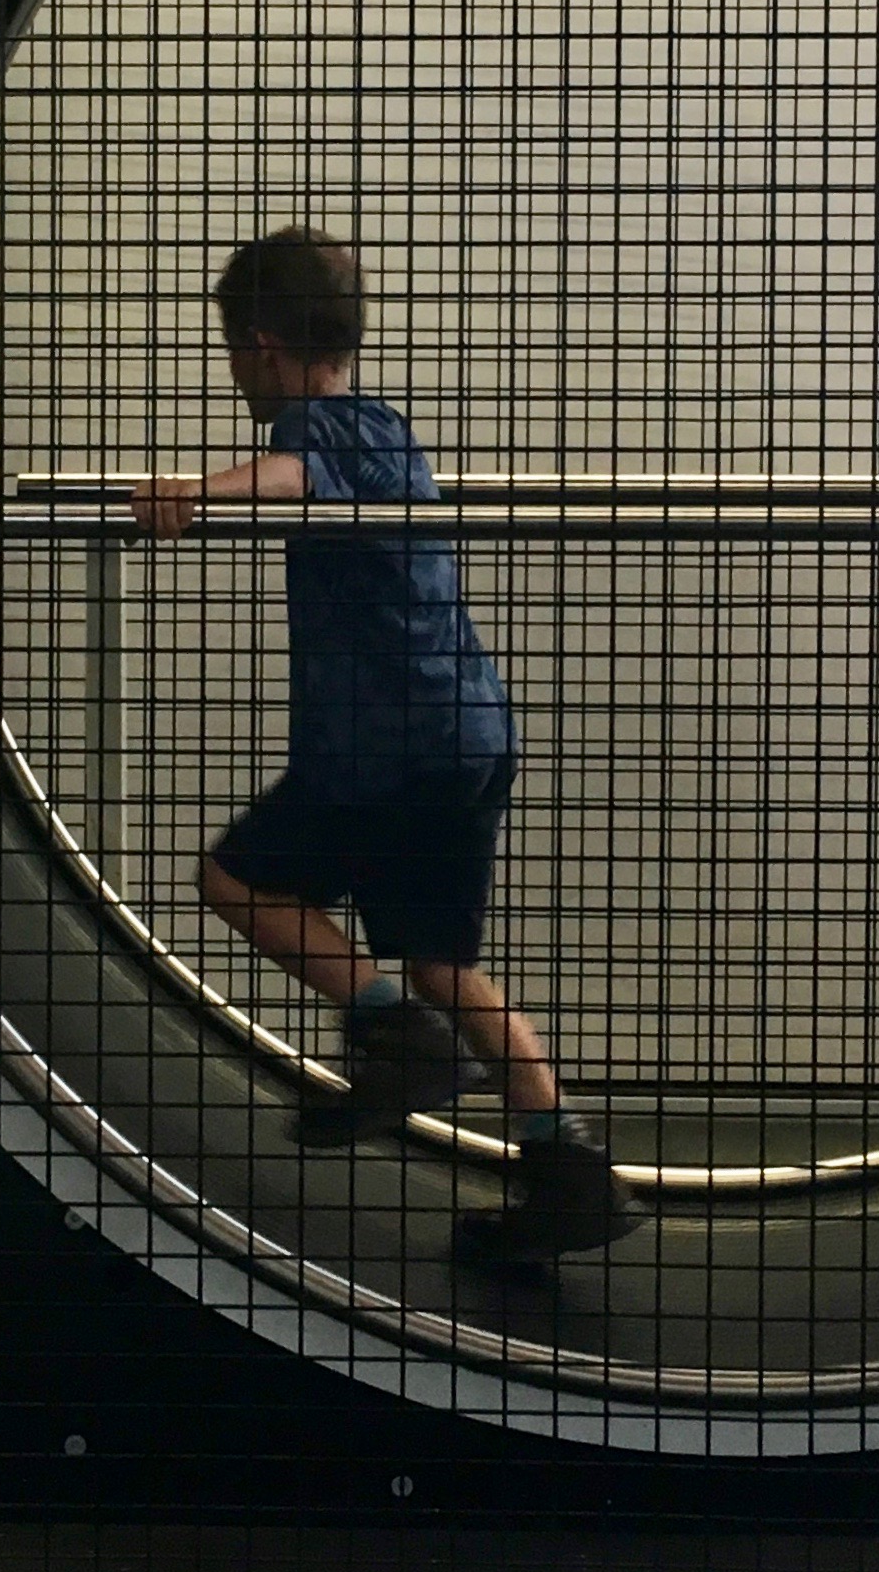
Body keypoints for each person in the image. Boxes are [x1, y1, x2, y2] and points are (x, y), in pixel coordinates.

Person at [133, 228, 633, 1262]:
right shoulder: (386, 426)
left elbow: (291, 475)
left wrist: (193, 490)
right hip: (462, 731)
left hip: (386, 739)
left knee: (234, 880)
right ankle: (570, 1171)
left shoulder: (321, 423)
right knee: (446, 963)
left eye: (233, 354)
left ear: (262, 346)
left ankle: (394, 1035)